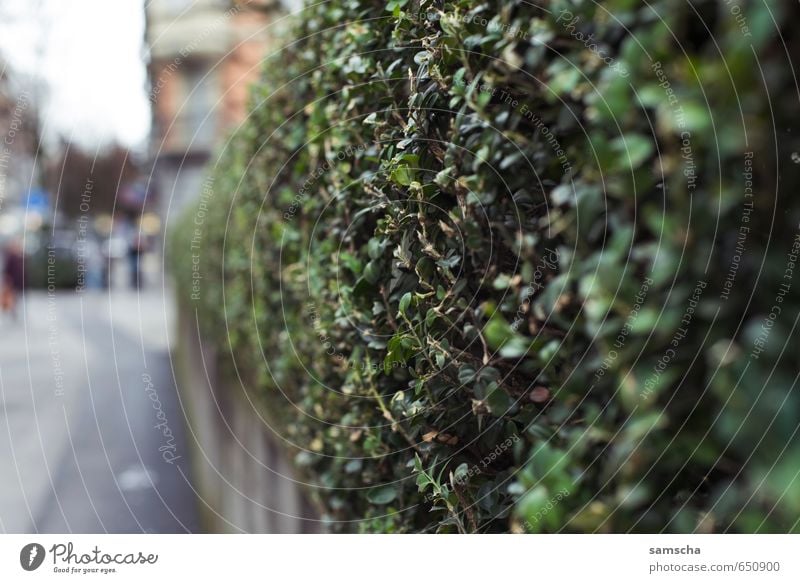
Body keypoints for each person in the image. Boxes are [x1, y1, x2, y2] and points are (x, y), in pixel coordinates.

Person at [2, 240, 24, 319]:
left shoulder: (19, 256)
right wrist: (7, 280)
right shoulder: (10, 257)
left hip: (18, 281)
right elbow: (7, 270)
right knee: (12, 297)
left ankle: (13, 310)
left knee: (16, 297)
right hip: (12, 281)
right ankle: (11, 310)